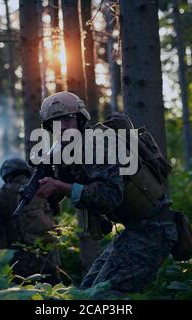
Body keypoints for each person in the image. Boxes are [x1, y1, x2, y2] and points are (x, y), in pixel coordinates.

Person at [34, 91, 178, 298]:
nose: (62, 126)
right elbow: (59, 199)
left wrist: (60, 185)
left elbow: (109, 196)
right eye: (55, 123)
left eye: (67, 118)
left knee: (104, 297)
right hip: (136, 229)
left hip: (154, 228)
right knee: (83, 294)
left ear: (80, 119)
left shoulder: (97, 144)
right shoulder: (72, 152)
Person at [0, 158, 61, 284]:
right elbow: (56, 211)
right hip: (49, 256)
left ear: (7, 175)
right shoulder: (43, 187)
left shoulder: (1, 194)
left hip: (19, 261)